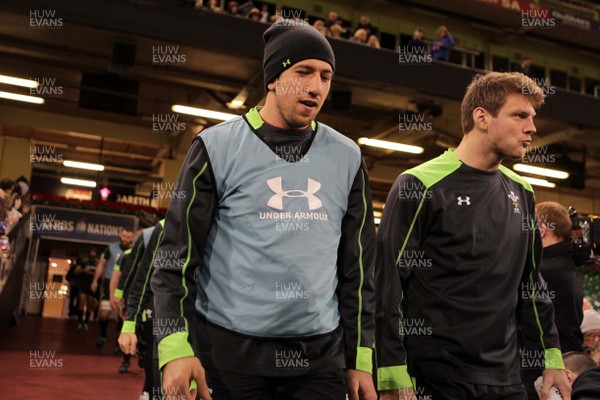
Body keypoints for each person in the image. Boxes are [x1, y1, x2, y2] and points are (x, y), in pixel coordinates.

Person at [151, 21, 377, 400]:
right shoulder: (216, 146)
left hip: (319, 362)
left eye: (325, 76)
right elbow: (176, 256)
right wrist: (174, 345)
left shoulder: (348, 156)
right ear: (273, 78)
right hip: (227, 358)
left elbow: (359, 270)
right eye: (302, 72)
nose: (315, 87)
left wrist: (361, 357)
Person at [376, 72, 571, 400]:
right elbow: (387, 284)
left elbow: (531, 285)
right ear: (482, 117)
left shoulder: (522, 192)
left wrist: (550, 356)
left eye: (533, 118)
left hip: (506, 380)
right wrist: (392, 373)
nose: (532, 128)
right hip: (434, 379)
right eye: (520, 115)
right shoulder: (418, 185)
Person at [119, 221, 164, 400]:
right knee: (153, 355)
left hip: (201, 318)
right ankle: (149, 388)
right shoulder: (157, 231)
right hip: (156, 306)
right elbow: (137, 273)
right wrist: (130, 323)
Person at [537, 201, 584, 352]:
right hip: (566, 354)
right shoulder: (568, 263)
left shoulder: (543, 269)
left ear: (542, 230)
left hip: (549, 362)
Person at [91, 228, 133, 350]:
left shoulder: (135, 250)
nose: (126, 239)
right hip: (109, 282)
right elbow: (101, 264)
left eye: (128, 237)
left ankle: (119, 342)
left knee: (122, 316)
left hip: (125, 284)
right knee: (103, 314)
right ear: (120, 235)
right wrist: (95, 280)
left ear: (132, 238)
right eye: (124, 236)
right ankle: (103, 335)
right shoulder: (111, 247)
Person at [75, 249, 100, 331]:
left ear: (96, 253)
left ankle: (86, 323)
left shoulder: (98, 262)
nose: (93, 253)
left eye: (94, 251)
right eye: (91, 251)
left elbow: (102, 274)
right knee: (81, 303)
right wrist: (83, 270)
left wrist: (96, 274)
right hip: (83, 285)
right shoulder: (84, 261)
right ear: (89, 252)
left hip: (92, 286)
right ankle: (79, 322)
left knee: (89, 305)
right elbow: (75, 271)